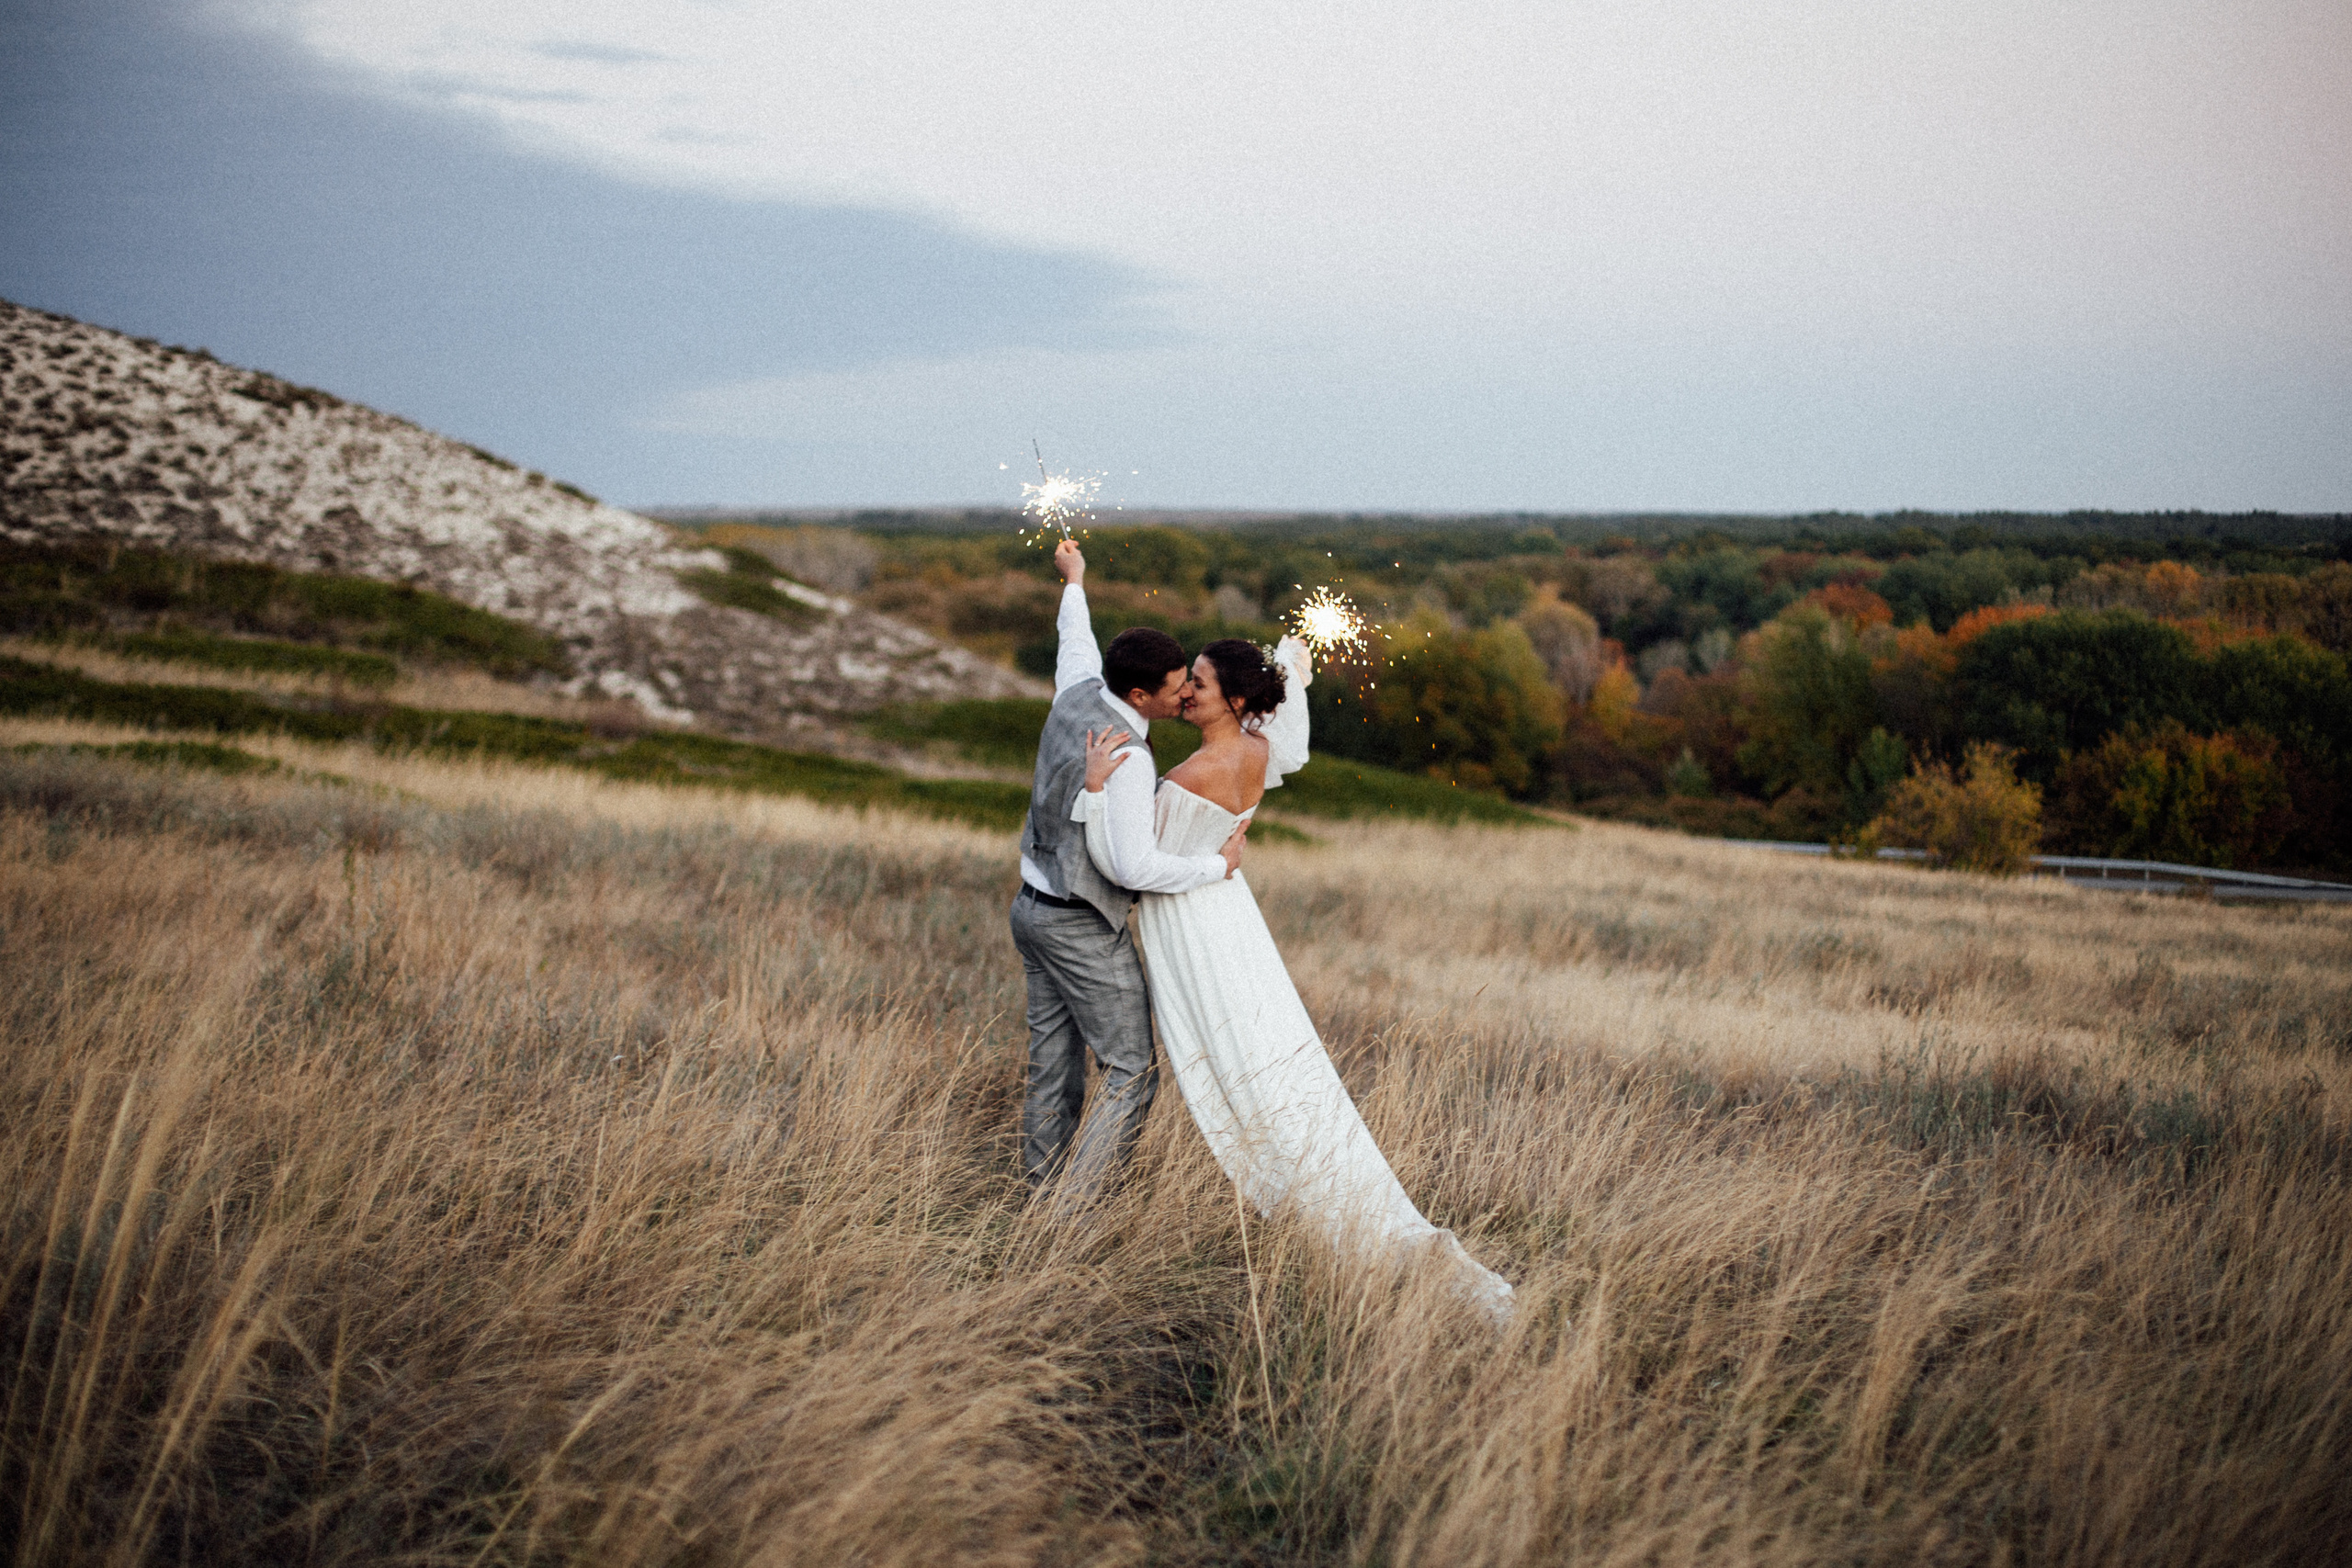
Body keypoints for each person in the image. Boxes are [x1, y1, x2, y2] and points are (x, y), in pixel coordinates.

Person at [1076, 632, 1516, 1320]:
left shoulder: (1190, 776)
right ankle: (1345, 1195)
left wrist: (1096, 794)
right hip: (1232, 914)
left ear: (1237, 699)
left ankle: (1330, 1212)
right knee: (1278, 1053)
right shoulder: (1257, 749)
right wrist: (1292, 671)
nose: (1185, 690)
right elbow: (1290, 740)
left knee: (1244, 1065)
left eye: (1199, 681)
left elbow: (1126, 865)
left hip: (1194, 922)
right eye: (1185, 678)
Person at [1010, 538, 1247, 1201]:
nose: (1185, 696)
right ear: (1139, 694)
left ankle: (1040, 1195)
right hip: (1080, 923)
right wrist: (1214, 866)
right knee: (1132, 1071)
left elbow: (1074, 641)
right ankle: (1071, 1219)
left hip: (1030, 908)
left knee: (1052, 1061)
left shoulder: (1078, 690)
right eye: (1175, 689)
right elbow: (1129, 863)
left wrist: (1075, 579)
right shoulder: (1128, 758)